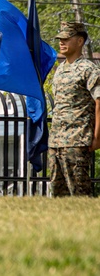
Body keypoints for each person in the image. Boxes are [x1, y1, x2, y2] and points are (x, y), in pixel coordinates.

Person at [49, 21, 100, 197]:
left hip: (77, 140)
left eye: (66, 39)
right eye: (60, 39)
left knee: (79, 192)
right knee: (57, 193)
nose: (61, 42)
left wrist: (97, 137)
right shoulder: (60, 69)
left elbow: (99, 102)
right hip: (56, 141)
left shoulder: (88, 68)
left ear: (80, 41)